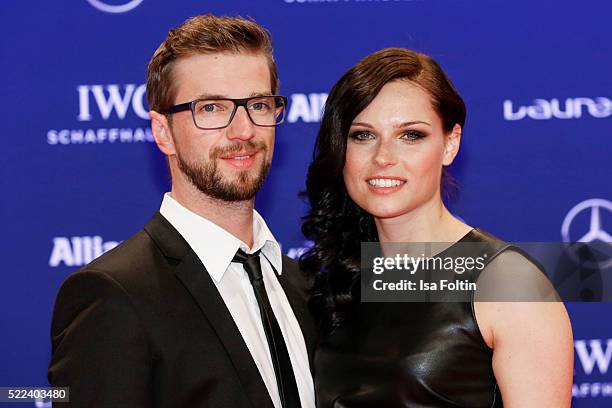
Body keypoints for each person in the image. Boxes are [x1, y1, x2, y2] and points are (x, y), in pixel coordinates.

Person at [48, 15, 315, 408]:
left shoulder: (300, 285)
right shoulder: (113, 295)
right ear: (163, 132)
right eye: (211, 108)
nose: (243, 130)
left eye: (258, 104)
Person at [300, 47, 573, 407]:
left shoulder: (509, 284)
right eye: (363, 135)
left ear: (450, 144)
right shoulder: (336, 281)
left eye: (410, 135)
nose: (383, 157)